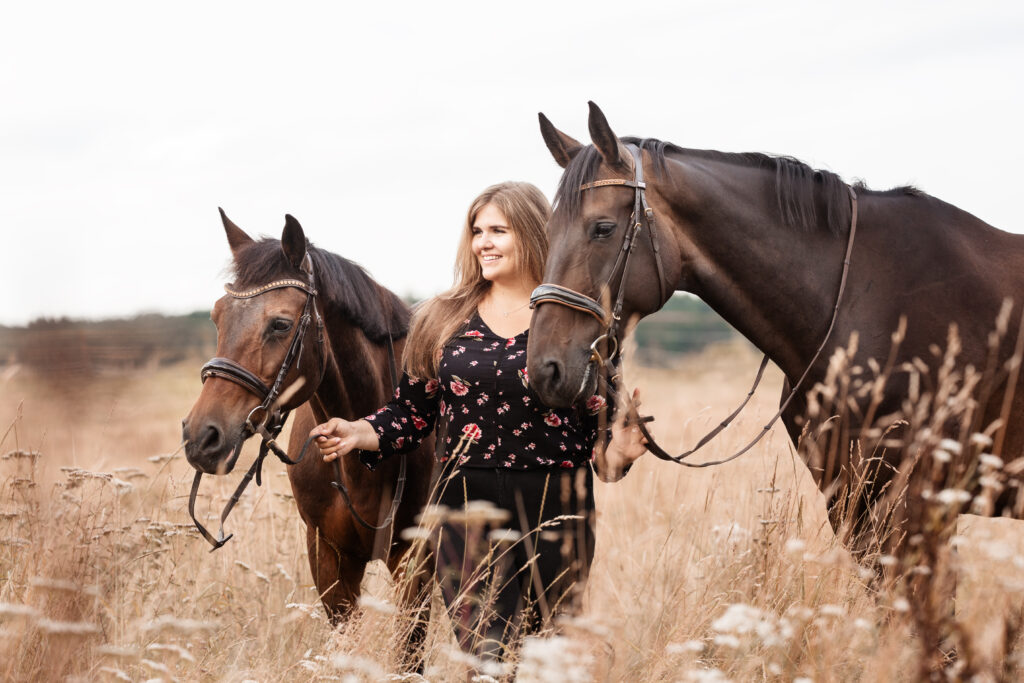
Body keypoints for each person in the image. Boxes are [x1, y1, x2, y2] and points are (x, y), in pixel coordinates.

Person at [310, 181, 646, 666]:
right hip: (465, 503)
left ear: (531, 233)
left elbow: (600, 444)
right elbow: (411, 413)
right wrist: (357, 431)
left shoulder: (578, 319)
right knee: (485, 655)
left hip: (556, 503)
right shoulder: (442, 317)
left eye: (498, 230)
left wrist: (621, 452)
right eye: (477, 230)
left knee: (545, 655)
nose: (483, 242)